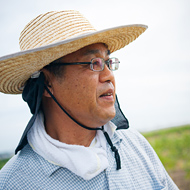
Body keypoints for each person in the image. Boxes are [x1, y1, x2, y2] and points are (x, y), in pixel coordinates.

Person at [0, 10, 178, 189]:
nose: (109, 76)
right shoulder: (12, 183)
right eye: (94, 63)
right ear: (47, 82)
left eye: (108, 62)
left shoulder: (136, 145)